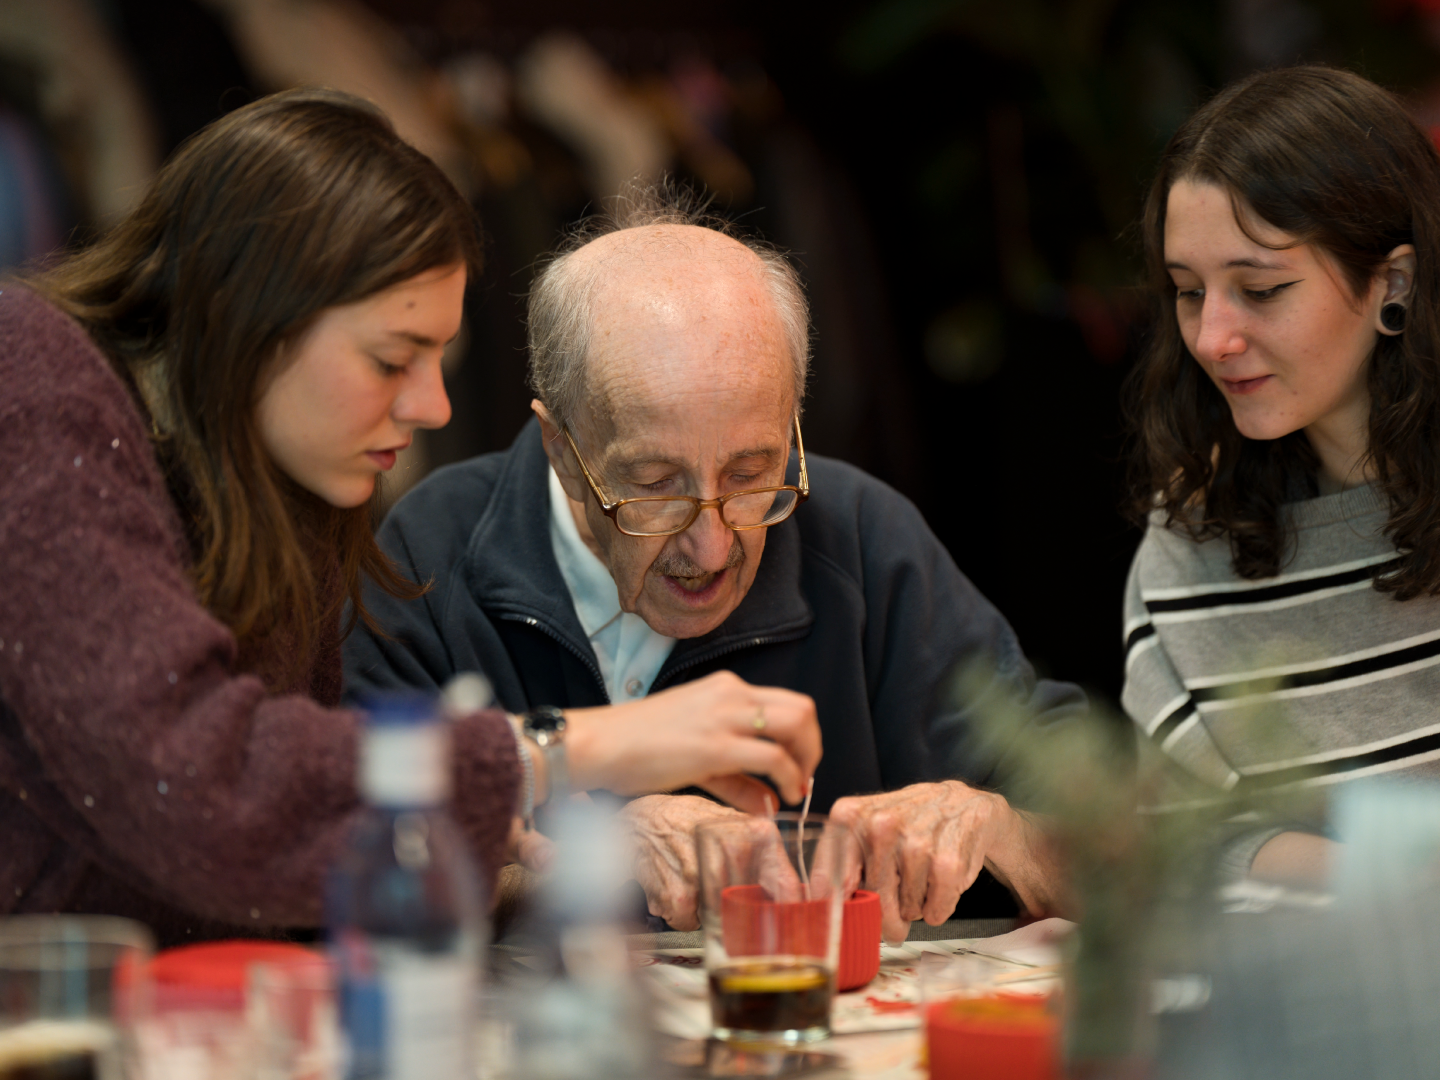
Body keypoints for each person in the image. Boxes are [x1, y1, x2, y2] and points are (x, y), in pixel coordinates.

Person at [0, 89, 821, 946]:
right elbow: (206, 788)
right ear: (247, 312)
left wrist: (510, 855)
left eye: (440, 361)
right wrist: (581, 747)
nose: (433, 406)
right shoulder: (30, 386)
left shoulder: (294, 486)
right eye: (393, 360)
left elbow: (296, 850)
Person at [343, 185, 1084, 942]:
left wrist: (1004, 830)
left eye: (750, 472)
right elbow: (343, 867)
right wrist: (576, 862)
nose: (715, 545)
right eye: (655, 487)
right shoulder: (429, 555)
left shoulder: (862, 540)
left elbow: (1138, 845)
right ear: (562, 452)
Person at [1122, 65, 1440, 886]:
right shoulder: (1192, 536)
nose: (1213, 337)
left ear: (1391, 283)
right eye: (1189, 292)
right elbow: (1176, 850)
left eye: (1261, 289)